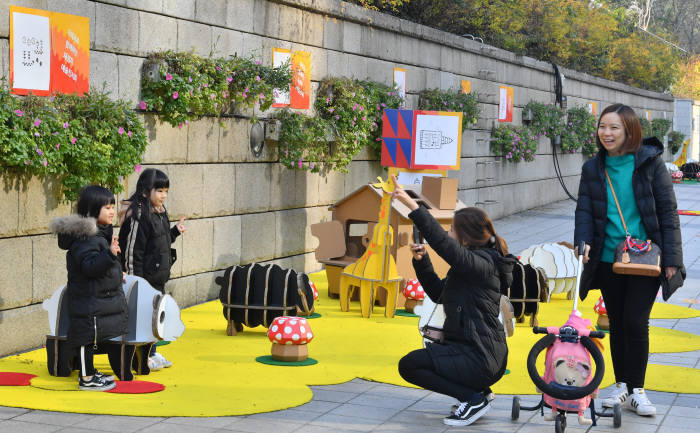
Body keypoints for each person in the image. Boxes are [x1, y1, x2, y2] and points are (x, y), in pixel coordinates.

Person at [574, 103, 685, 416]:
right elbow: (584, 209)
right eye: (603, 127)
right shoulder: (593, 168)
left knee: (636, 321)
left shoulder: (650, 164)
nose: (606, 134)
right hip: (609, 258)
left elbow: (668, 213)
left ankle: (638, 389)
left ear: (630, 131)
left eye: (614, 128)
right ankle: (621, 385)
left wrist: (672, 259)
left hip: (645, 258)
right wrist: (582, 241)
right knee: (618, 322)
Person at [391, 175, 515, 427]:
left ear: (465, 237)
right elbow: (439, 294)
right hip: (470, 350)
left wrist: (414, 208)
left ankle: (472, 398)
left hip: (481, 356)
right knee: (414, 362)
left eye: (452, 230)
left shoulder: (483, 264)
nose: (448, 233)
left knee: (410, 366)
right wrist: (422, 262)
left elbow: (444, 245)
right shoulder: (469, 265)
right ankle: (479, 393)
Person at [50, 186, 127, 391]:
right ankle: (87, 378)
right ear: (93, 210)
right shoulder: (87, 237)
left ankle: (90, 371)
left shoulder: (98, 234)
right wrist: (110, 255)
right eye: (107, 207)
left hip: (93, 298)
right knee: (86, 339)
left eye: (113, 206)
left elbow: (99, 268)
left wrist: (117, 272)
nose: (112, 211)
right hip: (87, 299)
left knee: (91, 338)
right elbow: (90, 266)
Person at [118, 168, 185, 371]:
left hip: (157, 278)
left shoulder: (160, 212)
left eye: (165, 191)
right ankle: (141, 356)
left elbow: (159, 242)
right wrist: (135, 282)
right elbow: (132, 251)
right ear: (146, 191)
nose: (163, 196)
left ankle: (151, 352)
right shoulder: (139, 215)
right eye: (159, 191)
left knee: (155, 318)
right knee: (142, 318)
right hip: (143, 279)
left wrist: (175, 232)